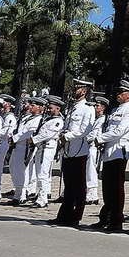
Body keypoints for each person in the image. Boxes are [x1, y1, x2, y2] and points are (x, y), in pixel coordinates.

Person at [89, 80, 129, 233]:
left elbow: (119, 131)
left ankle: (116, 220)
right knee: (107, 188)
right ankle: (105, 217)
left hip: (119, 151)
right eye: (117, 92)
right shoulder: (115, 110)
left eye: (120, 92)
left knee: (116, 189)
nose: (118, 95)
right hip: (109, 151)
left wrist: (100, 139)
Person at [55, 79, 96, 220]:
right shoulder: (72, 107)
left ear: (84, 91)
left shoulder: (88, 108)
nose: (74, 90)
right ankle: (64, 214)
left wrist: (68, 136)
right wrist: (62, 134)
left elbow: (85, 130)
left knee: (79, 185)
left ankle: (76, 215)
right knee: (68, 184)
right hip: (68, 150)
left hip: (79, 149)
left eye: (77, 88)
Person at [28, 96, 65, 208]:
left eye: (50, 108)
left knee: (42, 174)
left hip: (47, 148)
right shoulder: (48, 119)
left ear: (58, 109)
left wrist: (33, 140)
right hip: (40, 148)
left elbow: (47, 134)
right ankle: (42, 195)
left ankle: (42, 199)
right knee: (40, 173)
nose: (48, 110)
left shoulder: (58, 121)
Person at [9, 97, 41, 204]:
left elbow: (28, 133)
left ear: (39, 108)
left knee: (21, 170)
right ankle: (18, 192)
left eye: (33, 105)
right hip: (17, 145)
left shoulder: (38, 119)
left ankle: (21, 195)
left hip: (25, 146)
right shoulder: (28, 118)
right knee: (14, 169)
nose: (30, 107)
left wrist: (14, 138)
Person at [0, 95, 17, 204]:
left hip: (3, 142)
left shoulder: (10, 117)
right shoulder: (3, 116)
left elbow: (7, 131)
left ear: (9, 104)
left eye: (4, 102)